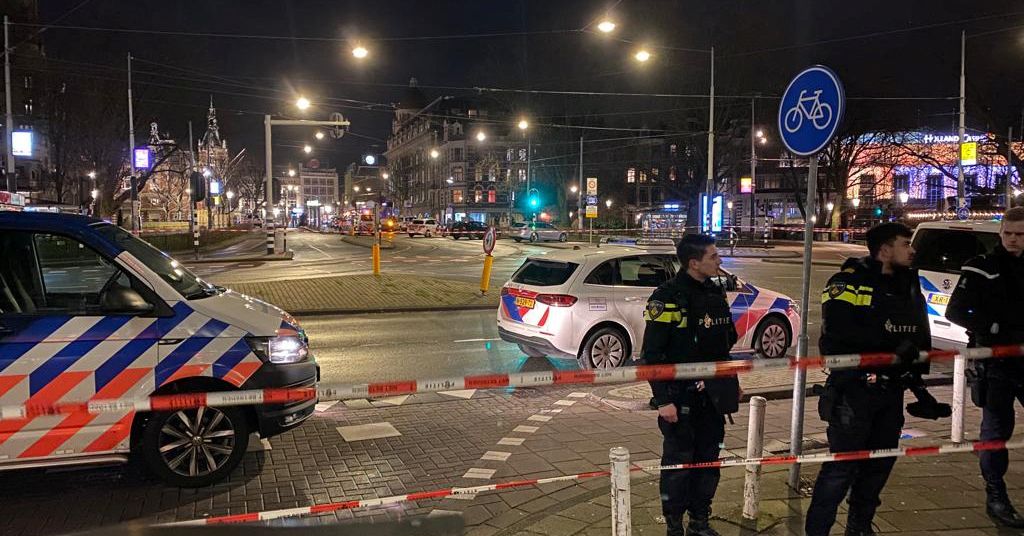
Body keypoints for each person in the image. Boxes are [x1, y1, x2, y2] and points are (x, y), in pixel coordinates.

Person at [806, 222, 947, 536]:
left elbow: (916, 336)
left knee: (879, 466)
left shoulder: (907, 284)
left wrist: (920, 389)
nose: (912, 250)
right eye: (904, 243)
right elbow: (837, 334)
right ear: (884, 249)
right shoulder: (848, 282)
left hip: (891, 393)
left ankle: (859, 526)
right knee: (841, 469)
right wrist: (890, 347)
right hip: (854, 393)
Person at [641, 234, 739, 536]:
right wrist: (663, 400)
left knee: (709, 461)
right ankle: (674, 526)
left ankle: (700, 521)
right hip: (678, 397)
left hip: (713, 395)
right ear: (694, 263)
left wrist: (731, 383)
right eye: (713, 256)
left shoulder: (714, 293)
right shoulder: (667, 297)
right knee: (678, 466)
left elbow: (726, 342)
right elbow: (652, 354)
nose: (719, 261)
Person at [946, 206, 1024, 528]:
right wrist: (992, 328)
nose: (1013, 240)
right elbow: (956, 311)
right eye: (1008, 233)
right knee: (995, 433)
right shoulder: (982, 267)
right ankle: (996, 495)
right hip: (995, 363)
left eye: (1020, 235)